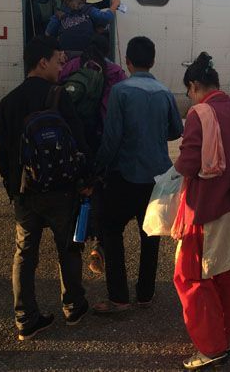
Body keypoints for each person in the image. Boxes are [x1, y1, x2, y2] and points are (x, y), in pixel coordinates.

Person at [0, 35, 92, 341]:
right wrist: (86, 180)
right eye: (58, 61)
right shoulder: (58, 96)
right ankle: (74, 307)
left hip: (25, 193)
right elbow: (77, 138)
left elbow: (2, 152)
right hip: (61, 190)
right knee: (69, 249)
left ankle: (25, 317)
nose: (61, 67)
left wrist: (12, 188)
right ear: (42, 62)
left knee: (25, 253)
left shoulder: (7, 102)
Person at [173, 52, 230, 370]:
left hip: (206, 208)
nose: (190, 99)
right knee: (226, 274)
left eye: (189, 92)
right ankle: (222, 338)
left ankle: (211, 347)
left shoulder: (200, 113)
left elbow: (188, 163)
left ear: (195, 85)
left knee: (191, 277)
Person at [94, 36, 183, 314]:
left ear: (128, 62)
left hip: (124, 174)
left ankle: (118, 297)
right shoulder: (165, 92)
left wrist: (98, 168)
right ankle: (145, 294)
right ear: (153, 61)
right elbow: (176, 131)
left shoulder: (120, 91)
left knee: (111, 231)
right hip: (156, 178)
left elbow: (111, 138)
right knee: (150, 234)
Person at [59, 34, 127, 275]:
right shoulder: (115, 71)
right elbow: (114, 111)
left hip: (73, 139)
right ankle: (99, 244)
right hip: (99, 140)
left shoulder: (71, 67)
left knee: (74, 189)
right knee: (100, 191)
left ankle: (73, 241)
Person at [45, 0, 121, 57]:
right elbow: (105, 18)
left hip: (65, 56)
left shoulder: (59, 14)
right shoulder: (89, 10)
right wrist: (114, 5)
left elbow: (48, 33)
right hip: (86, 55)